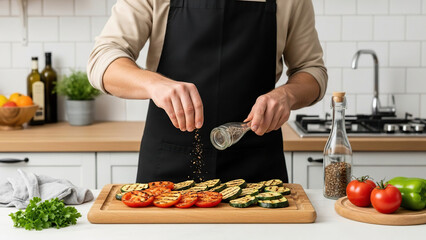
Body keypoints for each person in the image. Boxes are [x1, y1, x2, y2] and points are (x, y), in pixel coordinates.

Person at [88, 0, 327, 183]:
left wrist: (288, 94)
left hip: (257, 163)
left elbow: (312, 70)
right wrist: (154, 84)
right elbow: (103, 61)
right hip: (168, 164)